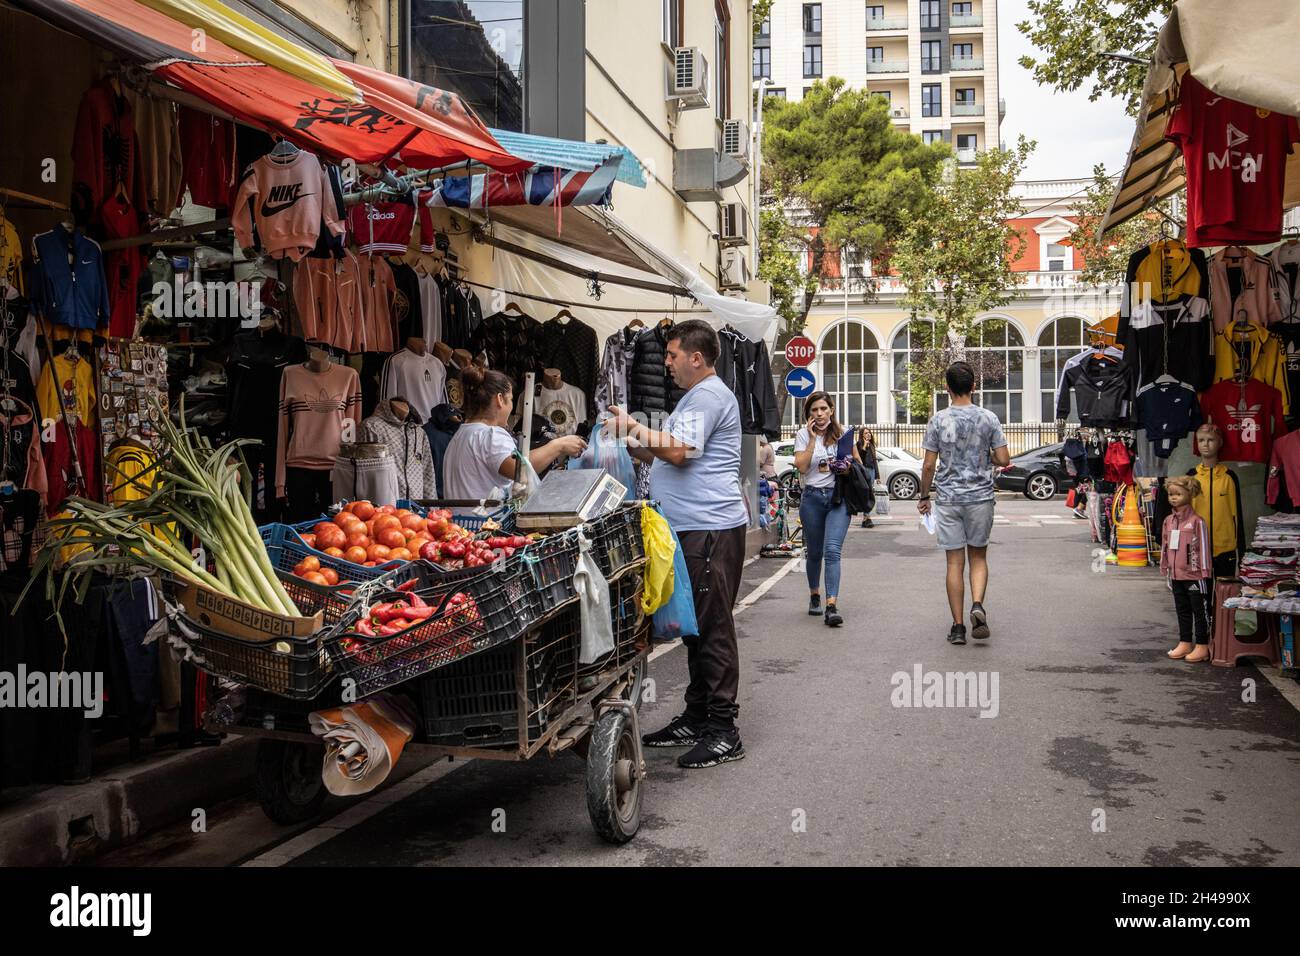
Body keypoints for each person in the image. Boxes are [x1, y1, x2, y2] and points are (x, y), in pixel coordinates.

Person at [606, 320, 749, 769]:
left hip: (709, 528)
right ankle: (697, 715)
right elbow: (670, 452)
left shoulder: (708, 395)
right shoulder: (696, 397)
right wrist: (633, 442)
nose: (665, 363)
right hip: (692, 527)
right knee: (694, 628)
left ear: (696, 357)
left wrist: (634, 426)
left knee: (712, 628)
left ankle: (724, 730)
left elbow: (681, 451)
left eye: (671, 355)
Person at [917, 362, 1011, 645]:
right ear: (973, 386)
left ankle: (958, 627)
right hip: (980, 498)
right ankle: (978, 605)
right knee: (978, 557)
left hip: (948, 499)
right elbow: (1004, 459)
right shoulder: (988, 418)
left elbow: (928, 465)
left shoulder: (938, 420)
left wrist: (924, 497)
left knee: (954, 563)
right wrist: (986, 457)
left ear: (947, 388)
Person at [442, 367, 586, 501]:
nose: (511, 405)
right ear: (499, 399)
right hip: (486, 525)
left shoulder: (460, 434)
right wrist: (558, 445)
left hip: (460, 525)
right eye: (510, 399)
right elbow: (519, 470)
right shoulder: (491, 435)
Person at [794, 391, 861, 626]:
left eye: (823, 409)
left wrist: (847, 466)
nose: (820, 414)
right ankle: (815, 595)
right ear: (809, 415)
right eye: (814, 410)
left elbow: (858, 464)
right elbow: (801, 467)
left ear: (831, 410)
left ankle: (831, 605)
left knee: (832, 550)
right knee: (814, 552)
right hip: (812, 498)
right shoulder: (802, 435)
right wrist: (813, 440)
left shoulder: (843, 435)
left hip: (837, 499)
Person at [1160, 476, 1213, 663]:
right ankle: (1185, 641)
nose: (1174, 498)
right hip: (1176, 574)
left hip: (1195, 575)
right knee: (1182, 609)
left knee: (1200, 610)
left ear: (1189, 495)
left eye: (1178, 494)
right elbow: (1166, 545)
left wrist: (1205, 571)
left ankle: (1202, 645)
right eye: (1171, 494)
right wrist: (1165, 566)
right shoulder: (1168, 521)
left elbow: (1205, 547)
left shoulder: (1197, 521)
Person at [856, 425, 879, 528]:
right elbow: (860, 458)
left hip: (871, 471)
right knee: (865, 493)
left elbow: (874, 461)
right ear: (862, 435)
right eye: (866, 433)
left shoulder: (872, 446)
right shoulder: (859, 444)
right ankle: (867, 517)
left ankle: (866, 518)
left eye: (869, 432)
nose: (868, 434)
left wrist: (877, 476)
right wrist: (864, 446)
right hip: (863, 471)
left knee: (870, 494)